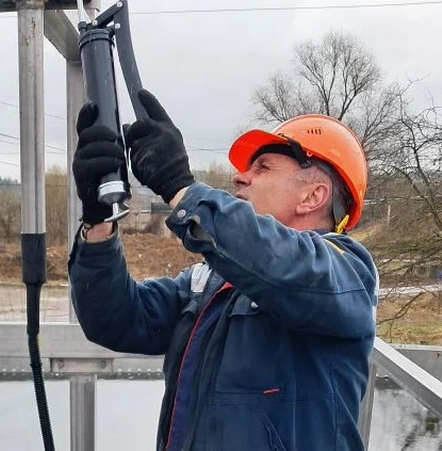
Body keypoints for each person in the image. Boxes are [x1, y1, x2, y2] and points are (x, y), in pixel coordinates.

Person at [69, 90, 379, 451]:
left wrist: (181, 189)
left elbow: (282, 265)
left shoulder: (347, 273)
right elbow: (116, 319)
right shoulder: (212, 281)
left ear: (312, 196)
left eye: (262, 168)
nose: (239, 178)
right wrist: (98, 222)